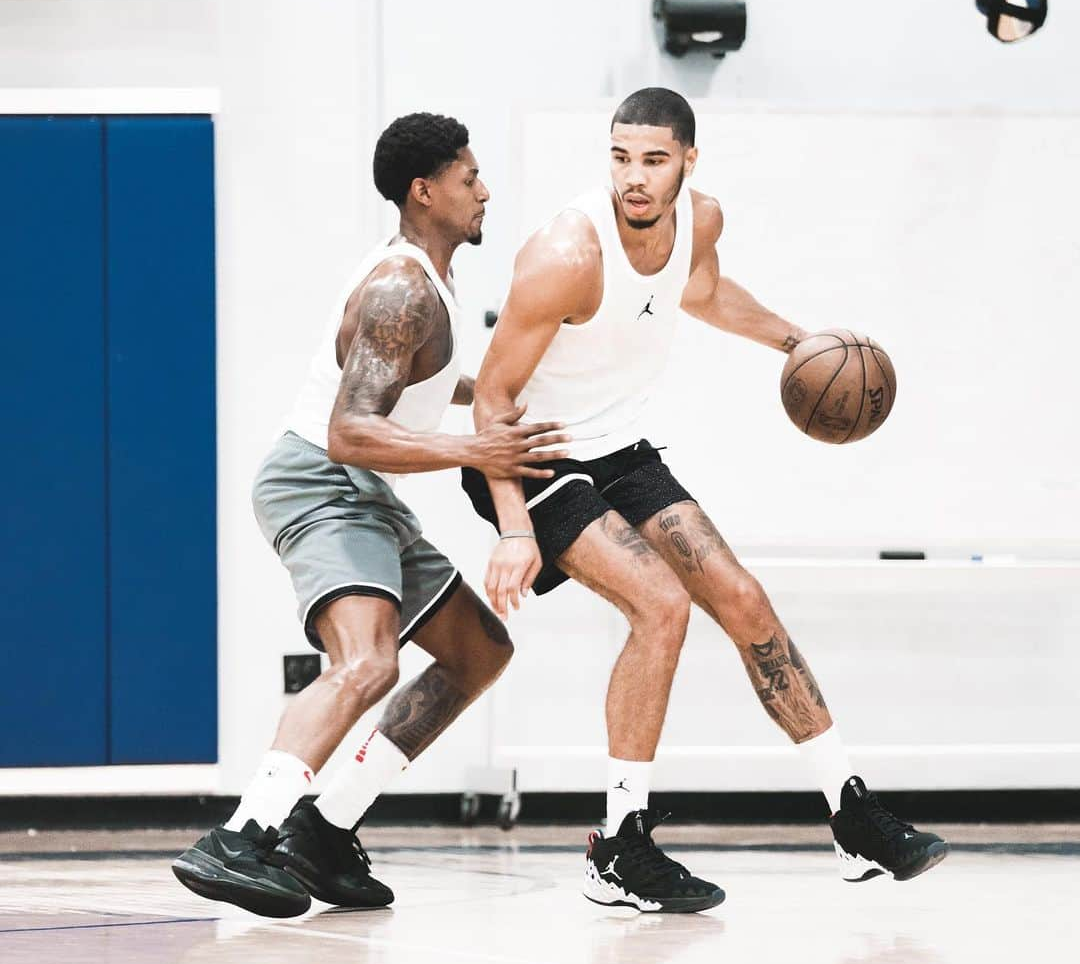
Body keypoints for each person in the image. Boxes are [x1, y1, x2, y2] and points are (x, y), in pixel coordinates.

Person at [463, 87, 947, 914]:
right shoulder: (564, 254)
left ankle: (851, 814)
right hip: (538, 456)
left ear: (689, 160)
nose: (634, 179)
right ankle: (618, 848)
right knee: (661, 606)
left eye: (653, 160)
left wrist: (796, 341)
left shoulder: (701, 221)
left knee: (743, 600)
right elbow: (490, 405)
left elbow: (704, 292)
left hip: (620, 446)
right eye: (620, 158)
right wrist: (514, 528)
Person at [173, 113, 567, 918]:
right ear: (425, 191)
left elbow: (411, 382)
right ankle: (242, 836)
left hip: (365, 490)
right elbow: (349, 429)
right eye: (468, 179)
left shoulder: (433, 283)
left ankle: (326, 826)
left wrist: (495, 395)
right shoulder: (401, 288)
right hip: (320, 480)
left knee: (479, 650)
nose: (484, 190)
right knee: (369, 663)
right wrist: (476, 450)